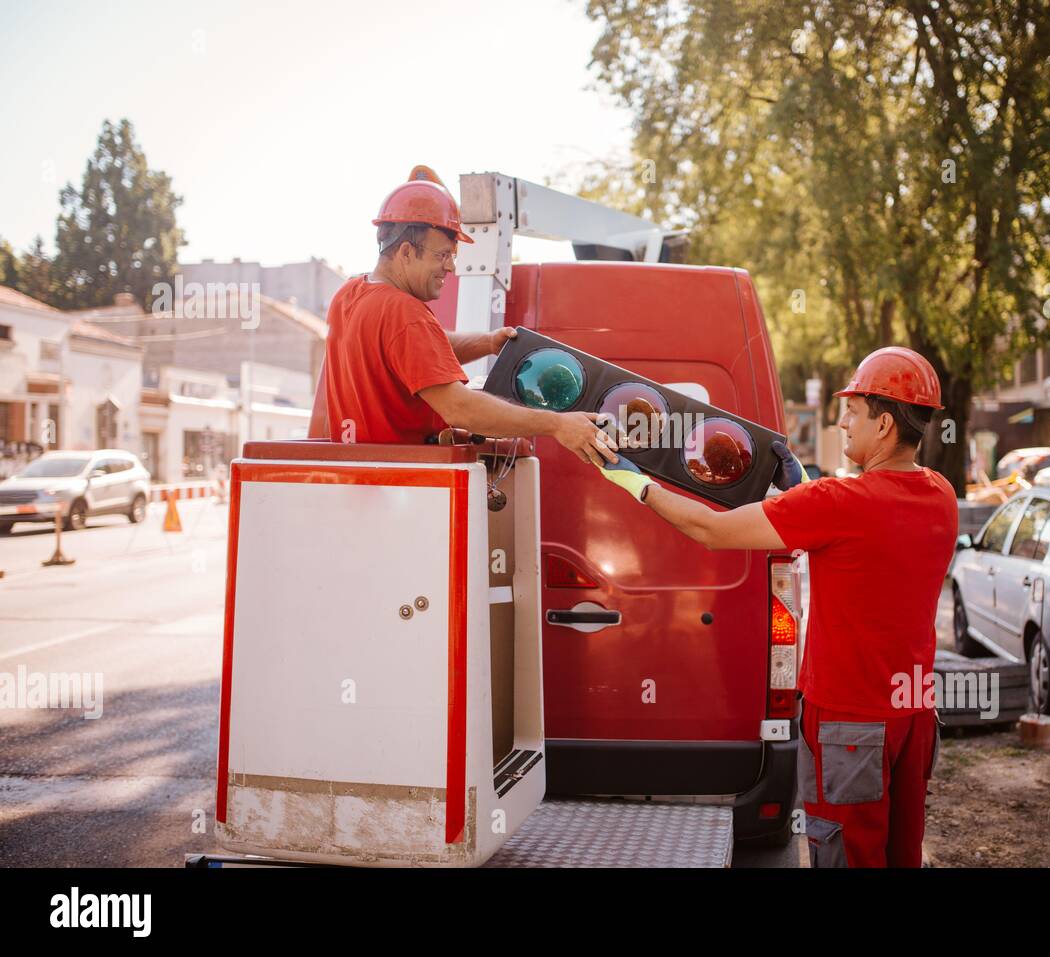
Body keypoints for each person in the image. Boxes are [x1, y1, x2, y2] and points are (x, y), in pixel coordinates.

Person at [591, 346, 958, 867]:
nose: (843, 422)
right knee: (901, 855)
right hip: (914, 717)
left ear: (883, 423)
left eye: (852, 412)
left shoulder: (838, 503)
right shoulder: (940, 495)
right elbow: (866, 543)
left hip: (849, 724)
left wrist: (633, 480)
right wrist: (803, 491)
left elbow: (711, 530)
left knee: (847, 855)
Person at [310, 165, 618, 466]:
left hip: (358, 479)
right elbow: (460, 409)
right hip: (406, 487)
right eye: (442, 255)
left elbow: (418, 349)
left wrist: (487, 343)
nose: (451, 267)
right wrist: (557, 424)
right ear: (405, 252)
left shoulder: (348, 295)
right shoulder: (404, 312)